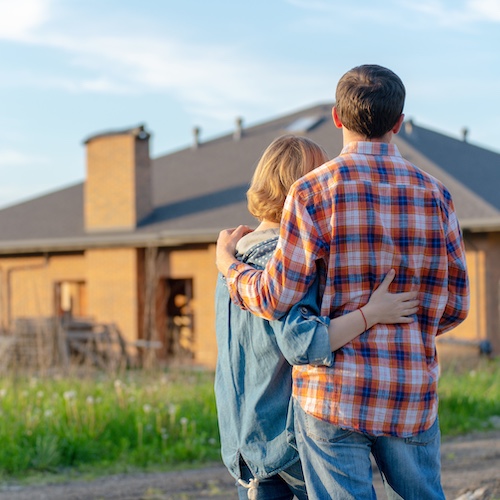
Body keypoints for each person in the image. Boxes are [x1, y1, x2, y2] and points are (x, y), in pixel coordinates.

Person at [216, 65, 470, 499]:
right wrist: (404, 329)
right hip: (410, 389)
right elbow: (455, 306)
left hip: (334, 394)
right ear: (399, 123)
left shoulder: (311, 193)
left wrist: (228, 265)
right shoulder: (437, 195)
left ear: (337, 117)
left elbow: (276, 297)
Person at [215, 134, 419, 500]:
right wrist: (371, 313)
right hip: (288, 440)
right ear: (303, 190)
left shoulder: (230, 262)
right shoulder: (289, 260)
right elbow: (304, 341)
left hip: (242, 439)